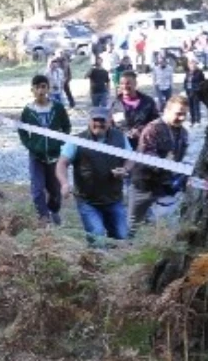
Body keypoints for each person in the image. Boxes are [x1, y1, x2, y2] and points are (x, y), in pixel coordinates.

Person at [56, 107, 133, 245]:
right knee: (97, 238)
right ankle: (99, 263)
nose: (98, 124)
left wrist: (125, 169)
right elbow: (62, 163)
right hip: (88, 201)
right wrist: (64, 183)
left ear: (110, 121)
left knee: (121, 237)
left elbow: (131, 157)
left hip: (114, 198)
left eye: (102, 121)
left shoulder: (120, 137)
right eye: (95, 120)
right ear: (88, 121)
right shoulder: (77, 140)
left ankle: (115, 264)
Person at [18, 74, 71, 225]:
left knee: (55, 190)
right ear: (32, 90)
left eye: (43, 87)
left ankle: (53, 210)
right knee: (37, 189)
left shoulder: (57, 108)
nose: (41, 90)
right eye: (37, 87)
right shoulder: (28, 111)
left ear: (48, 88)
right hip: (37, 156)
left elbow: (66, 126)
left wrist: (59, 142)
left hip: (54, 156)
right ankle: (43, 217)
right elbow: (22, 131)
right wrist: (31, 145)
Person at [130, 95, 189, 227]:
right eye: (178, 114)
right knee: (132, 225)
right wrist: (166, 163)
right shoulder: (153, 129)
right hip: (144, 185)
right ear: (167, 111)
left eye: (185, 114)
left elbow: (180, 158)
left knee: (165, 225)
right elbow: (147, 157)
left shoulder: (184, 133)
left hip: (165, 186)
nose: (182, 118)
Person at [110, 71, 159, 151]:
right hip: (122, 146)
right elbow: (112, 127)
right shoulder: (115, 104)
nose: (124, 86)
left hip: (144, 145)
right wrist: (127, 133)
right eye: (122, 83)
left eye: (128, 83)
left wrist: (142, 130)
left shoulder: (148, 102)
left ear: (135, 83)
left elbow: (156, 122)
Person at [182, 57, 205, 125]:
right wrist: (185, 88)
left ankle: (197, 121)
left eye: (193, 64)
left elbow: (203, 82)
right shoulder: (188, 73)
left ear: (195, 65)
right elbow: (186, 82)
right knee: (190, 107)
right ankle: (192, 120)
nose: (191, 65)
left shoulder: (199, 72)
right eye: (190, 64)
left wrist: (198, 89)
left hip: (196, 92)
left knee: (196, 106)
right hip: (189, 91)